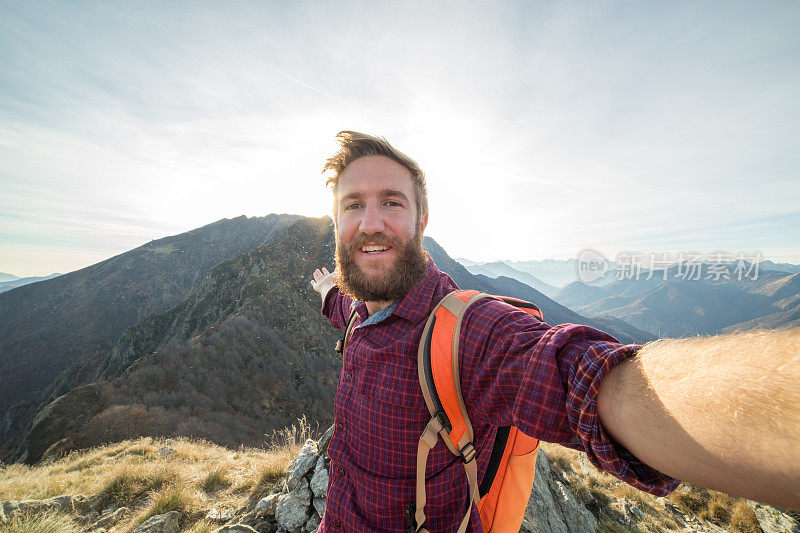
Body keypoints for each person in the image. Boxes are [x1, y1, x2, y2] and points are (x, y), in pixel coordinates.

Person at [310, 131, 800, 531]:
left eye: (391, 202)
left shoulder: (467, 335)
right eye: (352, 205)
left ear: (422, 221)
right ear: (336, 222)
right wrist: (328, 291)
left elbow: (583, 379)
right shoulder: (358, 313)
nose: (370, 222)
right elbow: (348, 308)